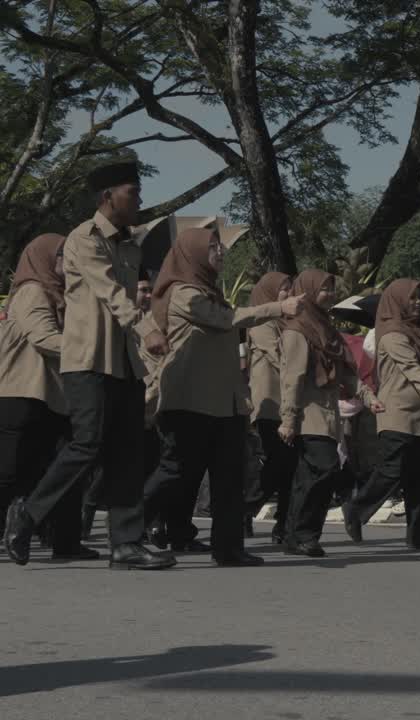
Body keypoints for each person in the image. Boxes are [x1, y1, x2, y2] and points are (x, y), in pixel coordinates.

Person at [6, 161, 174, 570]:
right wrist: (145, 327)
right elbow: (111, 293)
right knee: (87, 443)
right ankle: (27, 515)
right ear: (107, 197)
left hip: (125, 365)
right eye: (132, 192)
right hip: (87, 361)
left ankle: (126, 544)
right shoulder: (83, 238)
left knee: (127, 454)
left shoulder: (132, 244)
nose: (139, 199)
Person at [142, 228, 298, 567]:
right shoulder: (183, 293)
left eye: (220, 247)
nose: (221, 252)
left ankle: (228, 548)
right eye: (212, 247)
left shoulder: (210, 292)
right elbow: (226, 321)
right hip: (188, 400)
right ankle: (129, 525)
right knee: (174, 471)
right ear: (193, 254)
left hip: (223, 403)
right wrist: (277, 307)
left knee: (230, 477)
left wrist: (240, 397)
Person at [0, 234, 94, 560]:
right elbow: (42, 337)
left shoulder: (61, 296)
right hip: (21, 394)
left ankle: (66, 541)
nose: (68, 263)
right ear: (42, 258)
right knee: (10, 474)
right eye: (61, 257)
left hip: (53, 396)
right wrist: (88, 350)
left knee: (64, 472)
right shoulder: (32, 291)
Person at [342, 280, 420, 551]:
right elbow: (412, 369)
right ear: (398, 300)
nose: (418, 302)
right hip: (399, 413)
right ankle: (356, 509)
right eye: (412, 297)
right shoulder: (390, 334)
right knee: (393, 470)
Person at [279, 270, 369, 558]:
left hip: (329, 415)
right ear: (306, 291)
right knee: (325, 469)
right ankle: (302, 533)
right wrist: (289, 419)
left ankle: (298, 536)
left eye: (332, 289)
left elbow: (347, 373)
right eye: (323, 289)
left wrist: (370, 396)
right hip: (307, 413)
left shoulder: (327, 329)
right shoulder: (297, 330)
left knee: (309, 476)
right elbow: (291, 378)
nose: (329, 294)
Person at [243, 272, 296, 543]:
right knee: (278, 463)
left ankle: (283, 525)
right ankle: (246, 507)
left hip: (290, 403)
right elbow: (281, 359)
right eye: (283, 289)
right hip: (269, 405)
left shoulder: (291, 323)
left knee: (289, 466)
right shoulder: (261, 323)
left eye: (290, 288)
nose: (287, 294)